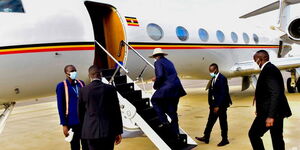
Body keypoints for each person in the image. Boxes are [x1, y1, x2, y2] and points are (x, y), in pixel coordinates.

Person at [248, 50, 292, 150]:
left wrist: (270, 116)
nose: (255, 62)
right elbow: (269, 92)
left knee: (253, 134)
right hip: (276, 111)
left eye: (255, 59)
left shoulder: (268, 70)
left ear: (260, 59)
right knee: (277, 138)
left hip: (270, 114)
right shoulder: (271, 68)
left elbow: (275, 93)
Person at [78, 65, 123, 150]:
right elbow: (116, 112)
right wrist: (118, 131)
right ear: (101, 75)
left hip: (90, 131)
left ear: (89, 76)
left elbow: (81, 113)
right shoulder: (111, 89)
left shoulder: (83, 90)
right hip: (108, 131)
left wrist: (83, 131)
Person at [149, 48, 186, 138]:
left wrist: (155, 85)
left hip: (167, 88)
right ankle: (176, 133)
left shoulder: (157, 62)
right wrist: (157, 78)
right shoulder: (169, 62)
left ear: (155, 56)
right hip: (176, 89)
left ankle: (164, 121)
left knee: (154, 100)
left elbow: (160, 75)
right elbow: (168, 74)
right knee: (172, 112)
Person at [195, 63, 232, 147]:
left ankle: (225, 139)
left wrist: (217, 106)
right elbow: (211, 92)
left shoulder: (222, 78)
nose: (210, 72)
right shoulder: (213, 78)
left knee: (223, 122)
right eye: (209, 71)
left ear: (216, 69)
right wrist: (211, 104)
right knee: (210, 122)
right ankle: (206, 137)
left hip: (221, 105)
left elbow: (223, 94)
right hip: (214, 105)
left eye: (211, 71)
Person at [56, 65, 88, 150]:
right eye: (72, 71)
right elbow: (60, 107)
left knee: (87, 145)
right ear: (66, 73)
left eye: (75, 70)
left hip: (84, 121)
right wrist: (64, 125)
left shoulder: (81, 83)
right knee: (75, 146)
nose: (74, 72)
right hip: (72, 123)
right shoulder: (61, 86)